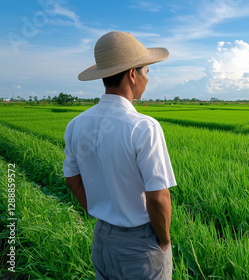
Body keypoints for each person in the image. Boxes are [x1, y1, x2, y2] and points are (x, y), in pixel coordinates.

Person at [63, 31, 176, 280]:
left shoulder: (76, 124)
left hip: (102, 239)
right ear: (132, 74)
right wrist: (164, 241)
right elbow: (158, 198)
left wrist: (101, 213)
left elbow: (72, 179)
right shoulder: (144, 127)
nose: (147, 78)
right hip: (139, 246)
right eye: (146, 71)